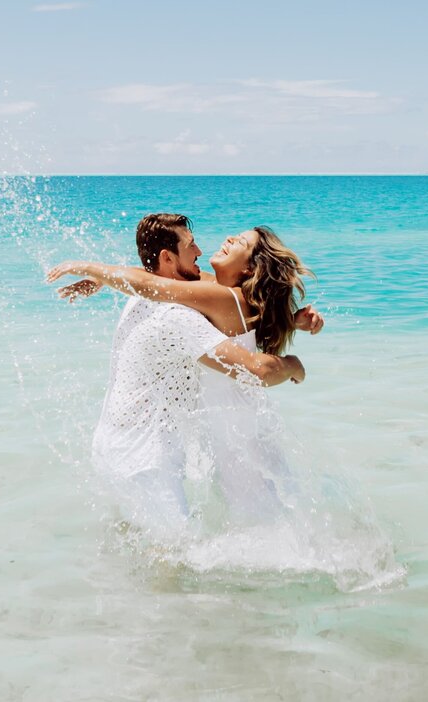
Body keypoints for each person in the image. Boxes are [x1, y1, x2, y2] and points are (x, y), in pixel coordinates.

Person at [47, 214, 309, 541]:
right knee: (183, 553)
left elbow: (155, 282)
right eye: (190, 246)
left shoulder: (204, 298)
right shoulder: (193, 305)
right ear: (169, 259)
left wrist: (98, 272)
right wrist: (292, 338)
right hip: (152, 456)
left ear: (249, 269)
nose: (201, 249)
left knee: (247, 530)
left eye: (239, 243)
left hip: (144, 444)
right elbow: (158, 281)